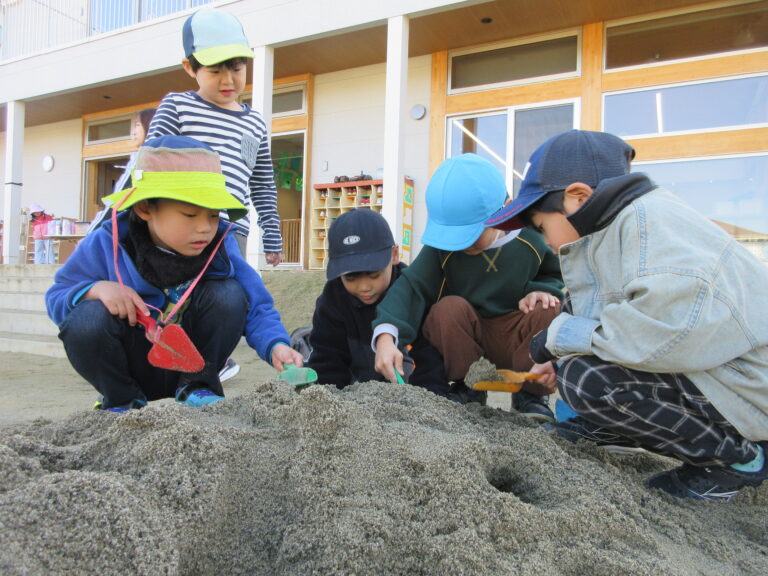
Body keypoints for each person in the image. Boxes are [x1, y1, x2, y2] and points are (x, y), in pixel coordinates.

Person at [485, 129, 768, 501]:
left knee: (587, 380)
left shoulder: (651, 226)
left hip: (749, 390)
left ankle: (735, 459)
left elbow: (659, 334)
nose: (545, 241)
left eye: (542, 227)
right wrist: (567, 347)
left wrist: (558, 340)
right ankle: (615, 428)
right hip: (723, 374)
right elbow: (605, 307)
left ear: (578, 197)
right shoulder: (618, 226)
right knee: (578, 367)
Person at [46, 135, 304, 412]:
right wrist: (96, 289)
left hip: (192, 364)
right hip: (134, 361)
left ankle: (198, 387)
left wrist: (276, 345)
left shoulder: (221, 243)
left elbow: (256, 305)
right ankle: (122, 399)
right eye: (191, 215)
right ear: (145, 208)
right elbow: (58, 297)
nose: (205, 228)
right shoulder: (109, 241)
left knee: (229, 293)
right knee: (86, 317)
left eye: (214, 215)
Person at [373, 153, 564, 419]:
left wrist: (542, 290)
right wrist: (386, 336)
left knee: (548, 307)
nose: (462, 245)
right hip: (468, 338)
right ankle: (469, 388)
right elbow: (411, 286)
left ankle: (530, 397)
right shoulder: (443, 249)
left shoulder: (532, 238)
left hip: (516, 336)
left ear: (505, 210)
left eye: (471, 235)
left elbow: (554, 276)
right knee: (447, 309)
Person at [147, 7, 283, 267]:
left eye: (236, 69)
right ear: (190, 67)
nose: (228, 80)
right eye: (215, 71)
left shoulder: (254, 123)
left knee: (228, 298)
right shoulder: (177, 107)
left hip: (232, 230)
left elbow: (262, 184)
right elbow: (150, 166)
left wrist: (272, 235)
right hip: (181, 225)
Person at [305, 209, 450, 397]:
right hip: (359, 390)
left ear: (394, 255)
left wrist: (430, 397)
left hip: (410, 389)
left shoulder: (414, 291)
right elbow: (328, 361)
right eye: (351, 278)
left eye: (374, 275)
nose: (364, 287)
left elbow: (430, 360)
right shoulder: (332, 300)